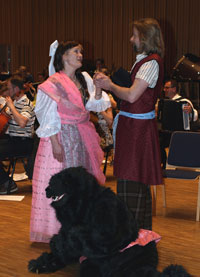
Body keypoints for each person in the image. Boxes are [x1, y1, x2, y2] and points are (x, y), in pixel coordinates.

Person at [30, 40, 111, 243]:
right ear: (64, 56)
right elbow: (47, 114)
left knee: (81, 181)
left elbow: (93, 103)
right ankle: (61, 230)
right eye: (76, 51)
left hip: (81, 135)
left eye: (81, 51)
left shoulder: (83, 78)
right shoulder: (54, 82)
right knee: (62, 181)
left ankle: (81, 227)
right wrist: (55, 143)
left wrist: (99, 87)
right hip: (61, 136)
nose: (80, 55)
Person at [94, 18, 165, 230]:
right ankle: (140, 239)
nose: (131, 38)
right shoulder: (144, 60)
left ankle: (133, 241)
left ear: (144, 38)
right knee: (135, 187)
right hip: (133, 129)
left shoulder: (151, 62)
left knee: (130, 185)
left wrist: (110, 85)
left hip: (137, 132)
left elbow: (133, 96)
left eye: (134, 35)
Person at [0, 76, 35, 194]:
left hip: (23, 143)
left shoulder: (27, 104)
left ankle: (7, 183)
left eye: (9, 88)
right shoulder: (14, 103)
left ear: (15, 89)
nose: (7, 91)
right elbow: (6, 115)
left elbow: (22, 122)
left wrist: (11, 106)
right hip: (12, 140)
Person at [158, 79, 198, 168]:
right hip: (166, 131)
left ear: (174, 89)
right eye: (164, 88)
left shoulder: (184, 102)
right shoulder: (163, 102)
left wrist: (191, 111)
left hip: (180, 131)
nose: (164, 90)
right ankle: (163, 164)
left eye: (167, 88)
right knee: (156, 140)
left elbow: (194, 117)